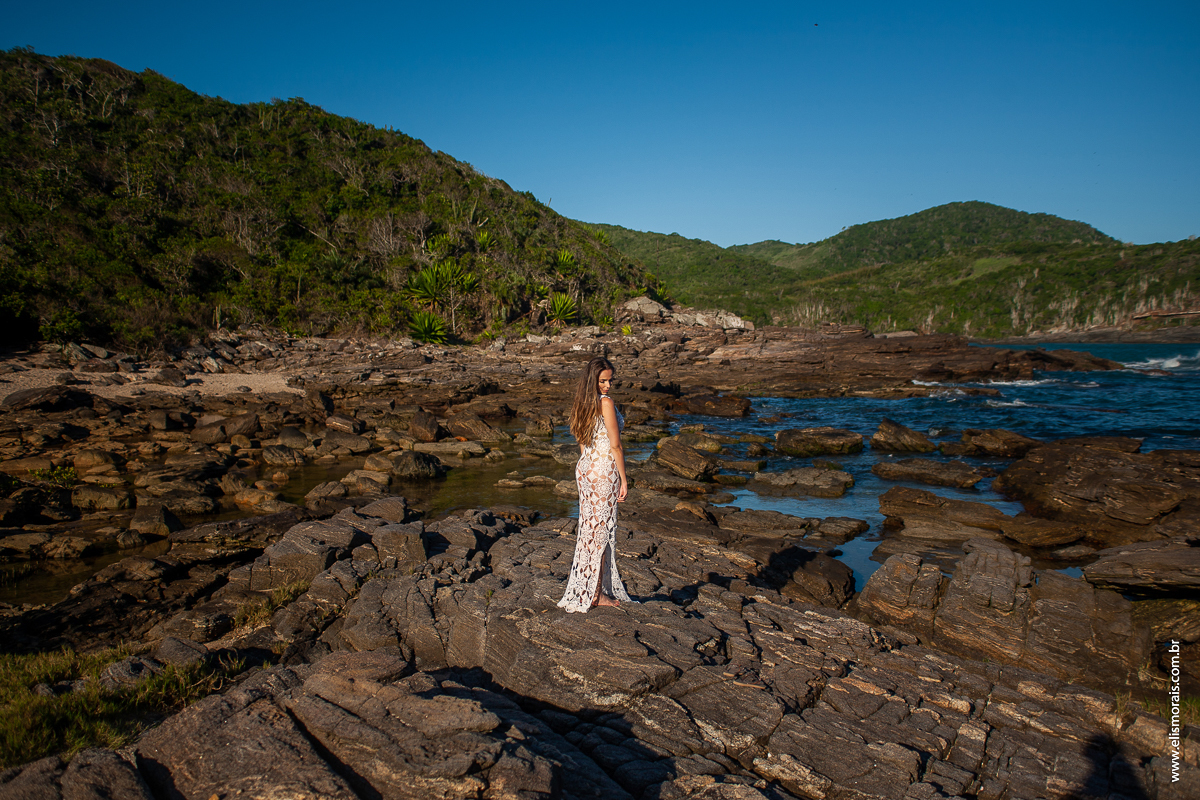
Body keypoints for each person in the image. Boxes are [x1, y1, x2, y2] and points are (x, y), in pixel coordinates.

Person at [557, 356, 634, 612]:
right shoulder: (606, 404)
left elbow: (581, 438)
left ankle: (587, 588)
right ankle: (595, 593)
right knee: (600, 532)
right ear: (593, 380)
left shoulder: (582, 402)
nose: (608, 386)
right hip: (603, 471)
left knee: (589, 531)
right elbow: (615, 445)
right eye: (603, 381)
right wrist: (624, 478)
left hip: (586, 468)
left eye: (610, 380)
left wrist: (587, 462)